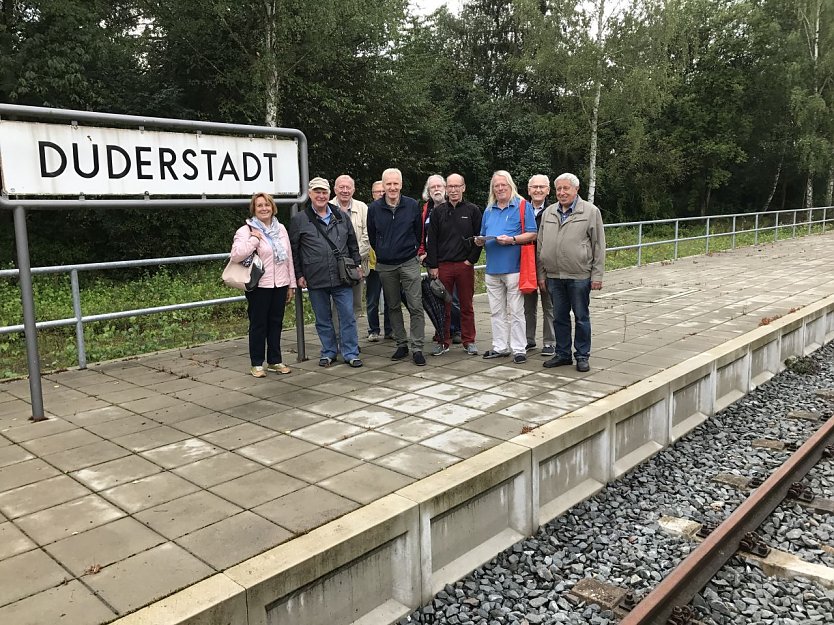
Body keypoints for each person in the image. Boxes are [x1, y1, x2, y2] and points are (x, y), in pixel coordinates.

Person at [289, 177, 363, 368]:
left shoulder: (340, 215)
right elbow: (294, 251)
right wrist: (298, 274)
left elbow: (352, 243)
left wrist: (357, 265)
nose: (321, 196)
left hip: (342, 276)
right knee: (323, 319)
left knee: (347, 316)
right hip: (315, 277)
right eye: (317, 192)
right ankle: (329, 352)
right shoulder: (300, 220)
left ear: (329, 194)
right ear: (310, 194)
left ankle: (351, 353)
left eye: (324, 192)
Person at [537, 173, 605, 373]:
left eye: (566, 188)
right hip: (554, 276)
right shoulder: (549, 212)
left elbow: (599, 245)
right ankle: (563, 354)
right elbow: (541, 245)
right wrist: (541, 274)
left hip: (579, 276)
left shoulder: (590, 212)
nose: (562, 192)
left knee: (581, 317)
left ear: (576, 190)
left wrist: (597, 275)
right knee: (559, 317)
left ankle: (582, 355)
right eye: (558, 189)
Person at [230, 192, 296, 377]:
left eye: (267, 205)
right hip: (259, 286)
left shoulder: (280, 228)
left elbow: (288, 256)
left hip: (280, 284)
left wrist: (291, 283)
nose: (264, 208)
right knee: (258, 324)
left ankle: (275, 361)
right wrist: (254, 239)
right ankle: (256, 363)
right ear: (254, 209)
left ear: (273, 207)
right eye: (259, 205)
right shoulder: (246, 230)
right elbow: (236, 255)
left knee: (276, 323)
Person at [474, 170, 537, 364]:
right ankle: (500, 347)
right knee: (496, 311)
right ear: (492, 189)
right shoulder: (489, 209)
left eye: (503, 185)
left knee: (516, 311)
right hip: (492, 268)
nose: (500, 188)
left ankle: (519, 349)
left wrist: (512, 240)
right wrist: (479, 240)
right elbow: (483, 233)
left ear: (511, 186)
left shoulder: (522, 205)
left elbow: (533, 234)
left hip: (514, 268)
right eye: (496, 186)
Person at [367, 168, 426, 366]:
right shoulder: (374, 208)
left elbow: (418, 232)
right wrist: (384, 251)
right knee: (392, 306)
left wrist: (410, 249)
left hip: (409, 262)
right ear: (383, 186)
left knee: (415, 305)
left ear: (401, 185)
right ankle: (402, 344)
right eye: (388, 184)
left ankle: (417, 347)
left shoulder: (412, 205)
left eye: (395, 184)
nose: (392, 187)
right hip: (385, 264)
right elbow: (373, 236)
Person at [426, 173, 482, 356]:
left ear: (463, 188)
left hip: (464, 266)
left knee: (466, 305)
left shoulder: (473, 210)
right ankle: (443, 341)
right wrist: (433, 265)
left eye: (457, 186)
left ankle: (469, 341)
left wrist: (470, 261)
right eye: (450, 186)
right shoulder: (438, 212)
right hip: (443, 266)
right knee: (443, 307)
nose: (454, 190)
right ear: (446, 189)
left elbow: (478, 238)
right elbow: (431, 241)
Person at [419, 174, 462, 344]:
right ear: (428, 192)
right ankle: (442, 330)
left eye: (439, 186)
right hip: (433, 261)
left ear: (445, 189)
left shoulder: (454, 207)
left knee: (454, 298)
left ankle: (457, 329)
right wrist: (422, 253)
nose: (436, 189)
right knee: (437, 296)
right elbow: (421, 233)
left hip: (452, 259)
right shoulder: (425, 210)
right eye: (432, 187)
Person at [330, 175, 370, 333]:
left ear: (353, 190)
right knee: (335, 306)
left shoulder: (363, 208)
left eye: (348, 187)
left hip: (356, 268)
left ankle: (351, 340)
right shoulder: (326, 206)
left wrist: (352, 259)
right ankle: (338, 340)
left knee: (354, 306)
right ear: (335, 189)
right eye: (341, 187)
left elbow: (368, 236)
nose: (345, 191)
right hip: (332, 267)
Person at [524, 174, 556, 356]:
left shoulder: (553, 210)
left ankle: (550, 342)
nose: (538, 190)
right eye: (534, 187)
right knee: (527, 305)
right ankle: (528, 339)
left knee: (549, 304)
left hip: (547, 262)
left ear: (548, 190)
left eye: (541, 187)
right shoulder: (521, 209)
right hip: (526, 262)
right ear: (528, 190)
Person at [365, 179, 392, 340]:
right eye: (378, 192)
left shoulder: (391, 210)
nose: (381, 194)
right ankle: (373, 330)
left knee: (391, 299)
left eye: (383, 191)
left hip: (388, 263)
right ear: (373, 194)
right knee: (372, 299)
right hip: (373, 264)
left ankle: (390, 330)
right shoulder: (369, 210)